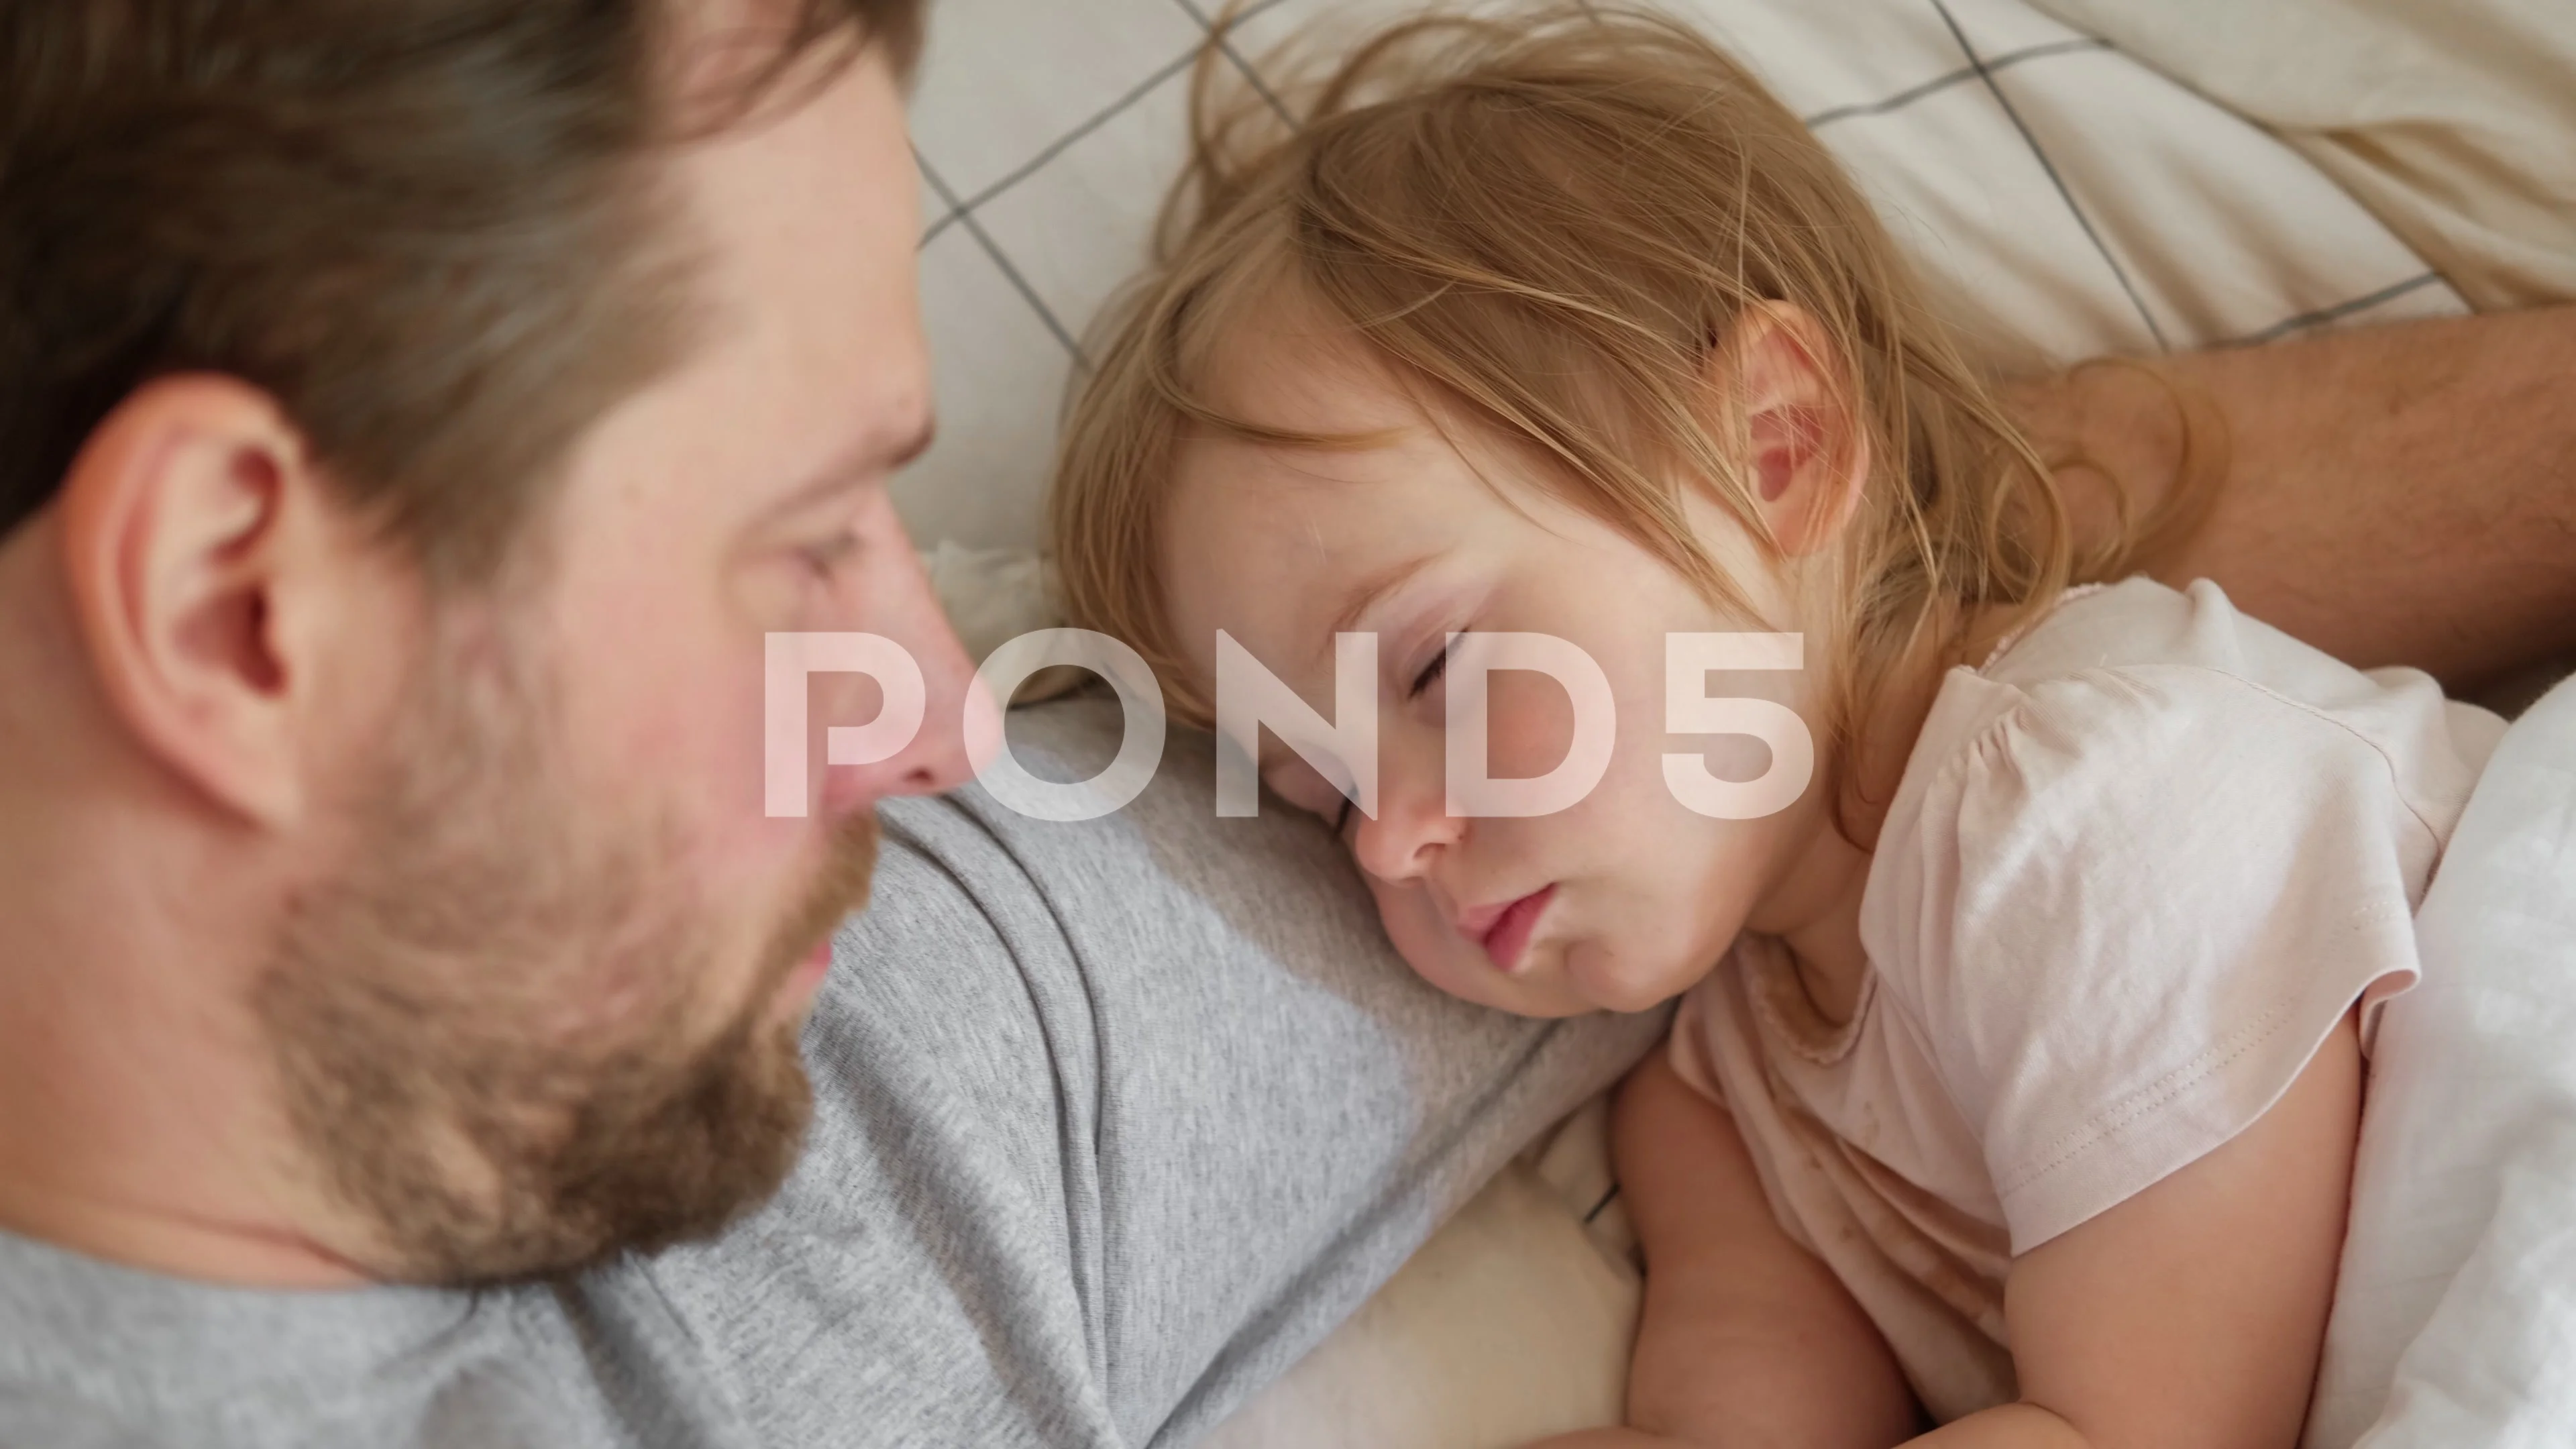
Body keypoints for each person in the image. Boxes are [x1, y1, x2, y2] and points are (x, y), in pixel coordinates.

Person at [0, 2, 2567, 1446]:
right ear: (236, 607)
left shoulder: (1983, 798)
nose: (948, 719)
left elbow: (1913, 600)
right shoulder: (1553, 923)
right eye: (798, 544)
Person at [1046, 10, 2536, 1446]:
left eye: (1434, 671)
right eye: (1320, 792)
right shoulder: (1716, 1090)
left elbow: (2147, 1432)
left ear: (1774, 449)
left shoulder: (2096, 804)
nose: (1390, 835)